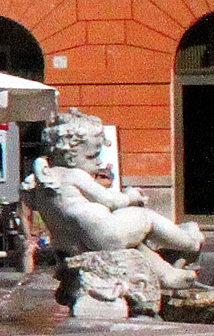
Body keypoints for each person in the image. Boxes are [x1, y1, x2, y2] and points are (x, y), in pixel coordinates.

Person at [22, 109, 204, 288]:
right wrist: (130, 196)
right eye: (93, 156)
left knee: (132, 246)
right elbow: (110, 201)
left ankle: (167, 274)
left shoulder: (44, 180)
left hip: (71, 245)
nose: (99, 162)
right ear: (70, 158)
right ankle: (189, 241)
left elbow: (33, 204)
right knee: (144, 217)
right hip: (106, 232)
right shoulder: (75, 175)